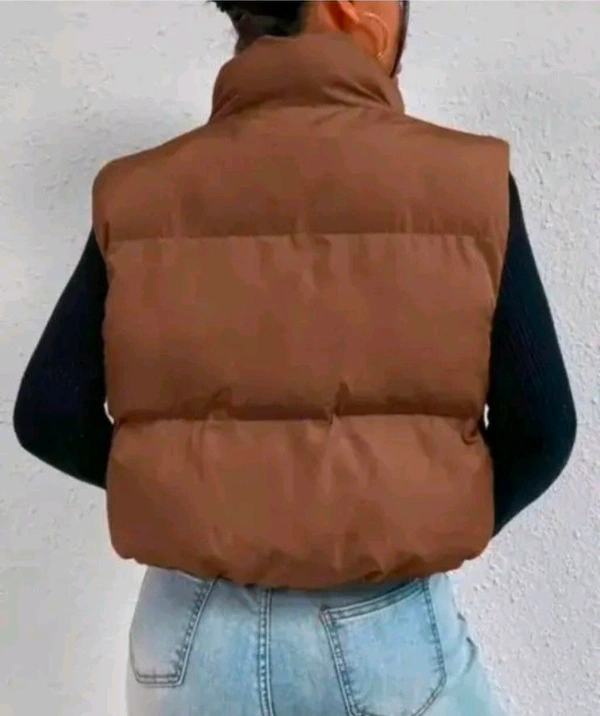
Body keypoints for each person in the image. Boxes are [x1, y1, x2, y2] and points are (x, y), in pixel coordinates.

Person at [13, 1, 577, 714]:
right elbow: (543, 427)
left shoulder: (138, 191)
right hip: (384, 631)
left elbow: (48, 413)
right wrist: (420, 513)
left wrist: (184, 496)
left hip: (189, 636)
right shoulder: (470, 184)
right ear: (352, 8)